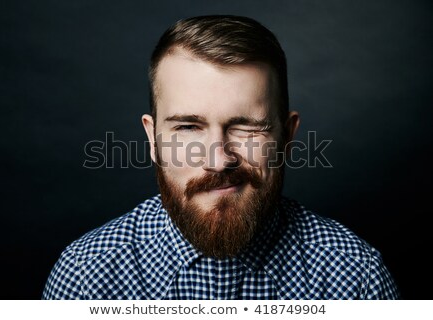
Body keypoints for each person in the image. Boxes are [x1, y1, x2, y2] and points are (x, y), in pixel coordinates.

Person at [43, 15, 399, 299]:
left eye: (246, 128)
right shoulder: (86, 275)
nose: (218, 159)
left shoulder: (355, 277)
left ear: (287, 136)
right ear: (153, 138)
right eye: (187, 127)